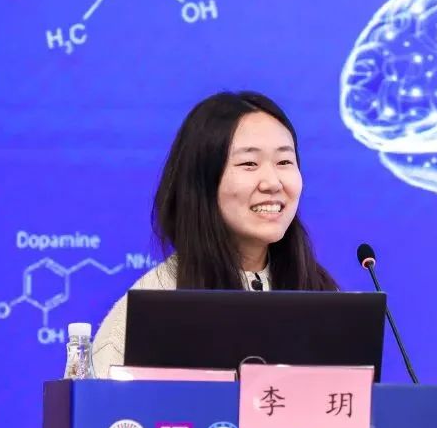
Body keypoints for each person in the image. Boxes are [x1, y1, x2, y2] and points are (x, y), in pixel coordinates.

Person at [91, 91, 338, 376]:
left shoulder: (323, 297)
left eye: (284, 162)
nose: (272, 182)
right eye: (249, 164)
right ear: (202, 183)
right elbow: (99, 403)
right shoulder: (153, 307)